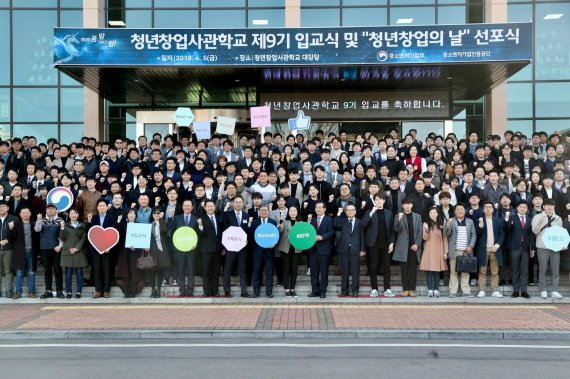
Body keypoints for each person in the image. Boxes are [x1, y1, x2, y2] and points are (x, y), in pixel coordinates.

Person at [362, 193, 395, 297]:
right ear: (374, 201)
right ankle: (374, 289)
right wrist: (371, 212)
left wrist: (392, 243)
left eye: (381, 199)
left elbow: (392, 230)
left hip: (386, 244)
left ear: (384, 201)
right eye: (377, 199)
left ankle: (387, 289)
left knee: (386, 267)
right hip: (373, 244)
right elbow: (363, 224)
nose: (379, 201)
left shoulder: (389, 213)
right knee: (373, 267)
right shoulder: (369, 212)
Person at [531, 198, 563, 299]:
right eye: (547, 205)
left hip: (555, 248)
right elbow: (534, 231)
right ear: (543, 206)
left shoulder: (558, 218)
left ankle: (555, 290)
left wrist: (562, 244)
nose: (549, 207)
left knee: (555, 270)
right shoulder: (537, 217)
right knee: (542, 269)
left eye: (551, 205)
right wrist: (540, 223)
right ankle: (543, 290)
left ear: (554, 207)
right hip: (542, 246)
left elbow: (560, 233)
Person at [88, 199, 118, 299]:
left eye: (103, 205)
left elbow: (114, 234)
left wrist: (109, 247)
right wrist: (89, 221)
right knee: (97, 270)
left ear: (107, 207)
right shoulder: (93, 218)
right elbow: (90, 234)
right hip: (95, 250)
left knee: (107, 270)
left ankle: (106, 290)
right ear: (97, 207)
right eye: (100, 206)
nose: (101, 207)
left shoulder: (112, 218)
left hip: (107, 250)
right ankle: (98, 290)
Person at [334, 202, 366, 297]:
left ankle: (355, 290)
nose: (350, 212)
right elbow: (335, 224)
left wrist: (362, 249)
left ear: (355, 211)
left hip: (355, 249)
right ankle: (344, 290)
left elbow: (362, 236)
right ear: (346, 211)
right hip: (344, 249)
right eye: (348, 210)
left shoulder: (359, 222)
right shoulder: (342, 221)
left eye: (352, 210)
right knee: (344, 271)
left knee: (355, 271)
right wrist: (339, 214)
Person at [445, 203, 477, 298]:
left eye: (461, 209)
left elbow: (474, 235)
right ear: (454, 212)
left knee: (465, 271)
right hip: (454, 250)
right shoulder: (451, 221)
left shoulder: (470, 221)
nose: (460, 211)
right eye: (458, 209)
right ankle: (453, 291)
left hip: (466, 251)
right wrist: (448, 224)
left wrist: (470, 246)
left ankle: (466, 291)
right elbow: (446, 234)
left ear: (465, 211)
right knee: (453, 272)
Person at [393, 198, 423, 297]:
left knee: (413, 270)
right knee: (404, 270)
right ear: (402, 206)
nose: (407, 206)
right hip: (403, 247)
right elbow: (396, 229)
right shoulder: (398, 215)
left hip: (414, 247)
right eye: (405, 204)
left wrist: (417, 244)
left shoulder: (417, 216)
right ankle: (405, 289)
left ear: (412, 205)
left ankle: (412, 289)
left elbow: (420, 231)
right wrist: (399, 220)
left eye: (409, 204)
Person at [221, 196, 250, 298]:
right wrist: (225, 209)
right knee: (227, 269)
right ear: (233, 203)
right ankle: (227, 291)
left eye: (240, 202)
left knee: (242, 269)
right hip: (230, 246)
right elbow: (221, 222)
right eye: (236, 202)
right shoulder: (228, 214)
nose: (238, 204)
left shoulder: (246, 215)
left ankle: (244, 291)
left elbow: (247, 231)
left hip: (242, 247)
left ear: (242, 204)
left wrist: (247, 240)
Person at [475, 201, 505, 298]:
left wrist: (497, 245)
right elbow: (477, 235)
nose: (487, 209)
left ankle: (495, 290)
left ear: (493, 209)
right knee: (482, 271)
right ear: (483, 210)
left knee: (495, 271)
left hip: (495, 249)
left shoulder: (498, 220)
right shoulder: (480, 220)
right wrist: (480, 225)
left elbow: (502, 234)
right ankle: (481, 290)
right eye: (485, 207)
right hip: (483, 249)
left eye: (489, 207)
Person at [34, 202, 65, 299]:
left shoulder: (60, 220)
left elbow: (63, 235)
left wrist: (60, 246)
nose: (50, 210)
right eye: (48, 208)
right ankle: (48, 290)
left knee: (57, 270)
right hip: (44, 248)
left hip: (56, 249)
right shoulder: (42, 220)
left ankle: (59, 290)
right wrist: (38, 219)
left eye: (52, 208)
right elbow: (37, 230)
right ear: (46, 210)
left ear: (56, 210)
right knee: (47, 270)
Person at [169, 200, 199, 297]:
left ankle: (190, 289)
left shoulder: (196, 219)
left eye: (189, 206)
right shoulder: (177, 219)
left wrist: (196, 244)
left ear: (192, 207)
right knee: (180, 269)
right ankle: (182, 289)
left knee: (191, 269)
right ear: (182, 207)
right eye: (185, 205)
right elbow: (171, 232)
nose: (187, 207)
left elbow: (198, 234)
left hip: (191, 249)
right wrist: (175, 243)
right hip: (180, 248)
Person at [59, 207, 88, 299]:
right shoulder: (66, 225)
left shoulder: (83, 225)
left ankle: (79, 292)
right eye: (71, 213)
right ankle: (69, 292)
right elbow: (62, 238)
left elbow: (84, 238)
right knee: (68, 273)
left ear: (78, 215)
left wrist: (77, 248)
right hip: (68, 251)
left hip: (79, 252)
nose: (73, 215)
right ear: (69, 215)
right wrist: (62, 228)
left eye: (75, 213)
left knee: (79, 273)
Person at [505, 201, 532, 299]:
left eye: (525, 207)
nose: (523, 209)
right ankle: (516, 290)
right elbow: (507, 230)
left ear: (527, 209)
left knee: (524, 270)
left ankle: (524, 290)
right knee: (515, 269)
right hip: (514, 247)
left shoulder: (529, 219)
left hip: (525, 247)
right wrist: (507, 220)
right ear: (517, 208)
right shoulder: (512, 218)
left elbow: (531, 235)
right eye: (521, 207)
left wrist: (532, 248)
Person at [420, 207, 448, 298]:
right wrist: (426, 229)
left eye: (434, 212)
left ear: (437, 214)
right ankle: (430, 290)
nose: (432, 214)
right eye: (431, 212)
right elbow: (424, 238)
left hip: (439, 249)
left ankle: (436, 290)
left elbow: (445, 239)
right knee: (429, 271)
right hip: (428, 249)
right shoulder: (426, 224)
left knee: (437, 271)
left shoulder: (442, 224)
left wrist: (445, 252)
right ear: (429, 214)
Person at [250, 204, 278, 298]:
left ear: (268, 211)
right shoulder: (254, 222)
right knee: (256, 272)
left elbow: (276, 236)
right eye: (261, 210)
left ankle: (269, 292)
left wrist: (274, 243)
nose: (263, 212)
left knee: (269, 273)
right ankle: (256, 292)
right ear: (259, 211)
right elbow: (251, 237)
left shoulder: (273, 222)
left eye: (265, 210)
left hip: (269, 252)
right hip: (257, 252)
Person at [11, 207, 38, 299]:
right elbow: (13, 238)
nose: (25, 214)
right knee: (19, 273)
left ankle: (31, 291)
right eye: (23, 213)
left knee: (31, 273)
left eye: (27, 213)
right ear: (20, 214)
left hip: (31, 252)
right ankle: (18, 292)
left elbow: (37, 238)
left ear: (30, 214)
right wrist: (12, 229)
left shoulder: (34, 224)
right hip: (20, 252)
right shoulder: (16, 224)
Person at [308, 200, 334, 298]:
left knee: (324, 271)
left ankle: (323, 291)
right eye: (316, 207)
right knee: (313, 272)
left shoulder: (329, 220)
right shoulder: (312, 220)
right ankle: (314, 290)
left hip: (324, 249)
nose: (318, 209)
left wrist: (322, 237)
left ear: (324, 209)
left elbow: (331, 232)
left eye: (320, 207)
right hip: (313, 250)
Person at [197, 200, 222, 297]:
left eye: (212, 206)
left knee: (216, 271)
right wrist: (200, 226)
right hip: (206, 249)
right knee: (206, 271)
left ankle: (215, 291)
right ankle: (206, 291)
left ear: (214, 207)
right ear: (205, 208)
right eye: (208, 206)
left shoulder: (219, 218)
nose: (210, 208)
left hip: (217, 249)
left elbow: (221, 234)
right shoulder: (201, 219)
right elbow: (200, 235)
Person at [276, 205, 302, 297]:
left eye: (294, 211)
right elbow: (280, 230)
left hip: (296, 248)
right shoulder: (284, 221)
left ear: (297, 212)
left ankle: (293, 289)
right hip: (285, 248)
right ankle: (287, 289)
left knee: (294, 270)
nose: (293, 212)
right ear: (288, 212)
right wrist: (279, 226)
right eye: (291, 211)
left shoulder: (301, 222)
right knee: (286, 269)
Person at [148, 206, 171, 298]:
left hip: (161, 250)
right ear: (152, 214)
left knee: (160, 271)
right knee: (152, 272)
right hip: (151, 250)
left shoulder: (163, 223)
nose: (156, 215)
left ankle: (159, 290)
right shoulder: (149, 225)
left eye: (158, 213)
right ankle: (153, 290)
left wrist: (161, 219)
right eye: (154, 213)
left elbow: (164, 230)